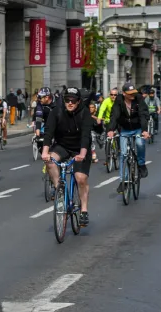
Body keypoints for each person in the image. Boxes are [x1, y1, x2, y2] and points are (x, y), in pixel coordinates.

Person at [41, 88, 93, 227]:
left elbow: (86, 136)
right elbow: (49, 133)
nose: (70, 103)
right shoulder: (56, 112)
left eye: (73, 101)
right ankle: (60, 191)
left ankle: (83, 210)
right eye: (67, 100)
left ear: (79, 101)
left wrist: (82, 154)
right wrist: (45, 152)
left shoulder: (85, 113)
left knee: (80, 178)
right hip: (62, 146)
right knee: (50, 161)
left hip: (80, 148)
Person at [108, 83, 150, 193]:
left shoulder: (139, 98)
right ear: (124, 93)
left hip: (138, 128)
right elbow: (114, 115)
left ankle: (141, 165)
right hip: (124, 129)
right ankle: (123, 182)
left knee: (140, 144)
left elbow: (143, 114)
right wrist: (111, 130)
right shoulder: (119, 100)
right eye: (130, 94)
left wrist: (144, 130)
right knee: (123, 154)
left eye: (134, 93)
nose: (133, 95)